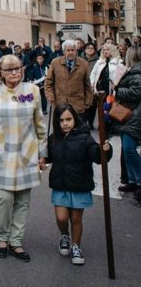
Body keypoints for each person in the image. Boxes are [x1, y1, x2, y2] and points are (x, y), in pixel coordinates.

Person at [0, 55, 47, 262]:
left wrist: (43, 153)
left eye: (17, 68)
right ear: (1, 73)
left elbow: (40, 124)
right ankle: (2, 237)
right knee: (4, 199)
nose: (14, 72)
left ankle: (16, 241)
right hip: (0, 153)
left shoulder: (32, 90)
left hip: (26, 153)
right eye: (9, 69)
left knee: (23, 200)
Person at [48, 105, 112, 265]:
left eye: (68, 119)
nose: (65, 123)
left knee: (76, 218)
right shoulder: (54, 137)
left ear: (75, 119)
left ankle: (76, 246)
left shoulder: (85, 137)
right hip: (60, 183)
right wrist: (41, 158)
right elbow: (48, 155)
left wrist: (105, 150)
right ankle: (64, 235)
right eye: (61, 120)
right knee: (61, 218)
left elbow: (97, 156)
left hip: (79, 184)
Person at [112, 45, 141, 205]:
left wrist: (117, 89)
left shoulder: (137, 73)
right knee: (126, 148)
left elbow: (136, 93)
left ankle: (139, 180)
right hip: (129, 115)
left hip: (134, 115)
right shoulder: (133, 71)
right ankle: (132, 180)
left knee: (129, 149)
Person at [45, 40, 92, 115]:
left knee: (78, 126)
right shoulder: (55, 63)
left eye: (73, 50)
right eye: (68, 50)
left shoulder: (84, 64)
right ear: (64, 52)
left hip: (77, 104)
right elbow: (48, 82)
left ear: (76, 51)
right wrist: (50, 96)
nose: (70, 53)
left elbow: (88, 85)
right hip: (60, 104)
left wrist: (88, 101)